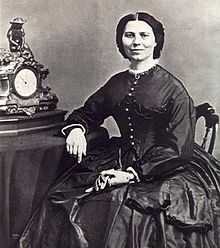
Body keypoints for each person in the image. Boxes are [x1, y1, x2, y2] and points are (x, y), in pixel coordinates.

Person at [19, 12, 220, 248]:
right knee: (73, 199)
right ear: (120, 40)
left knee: (132, 213)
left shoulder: (174, 89)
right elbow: (86, 113)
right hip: (121, 155)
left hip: (168, 165)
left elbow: (177, 147)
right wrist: (76, 129)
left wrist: (132, 173)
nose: (136, 42)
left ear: (156, 41)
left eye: (144, 35)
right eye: (129, 35)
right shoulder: (116, 83)